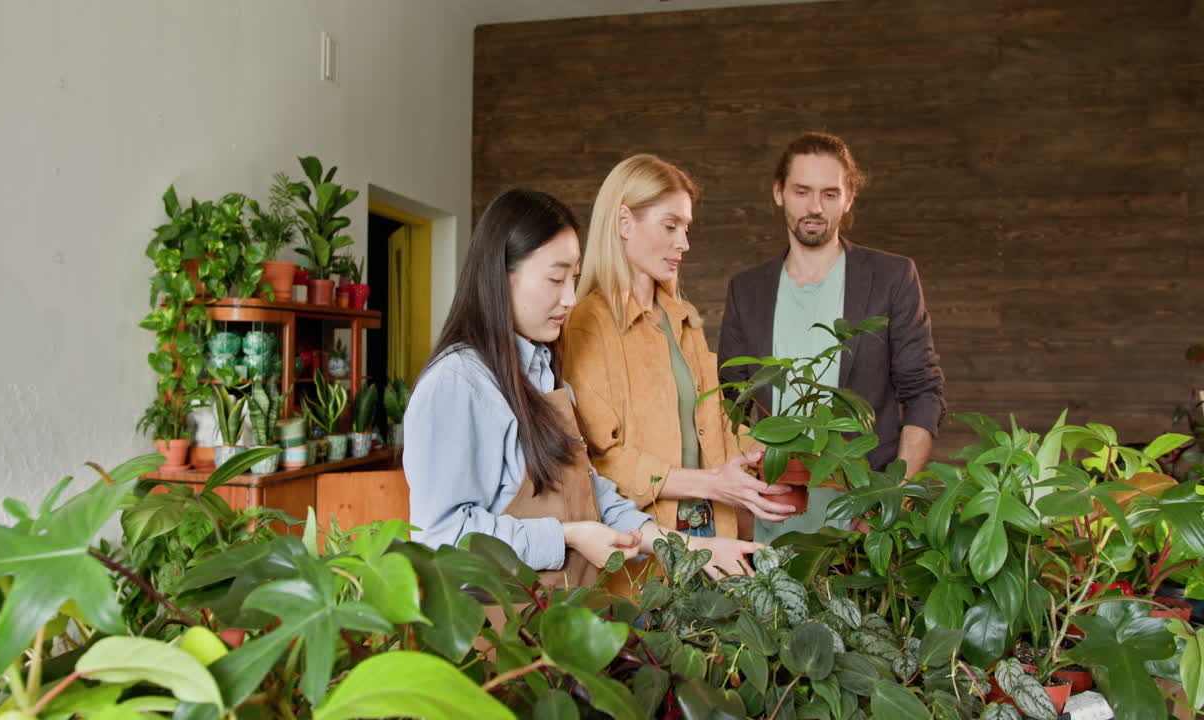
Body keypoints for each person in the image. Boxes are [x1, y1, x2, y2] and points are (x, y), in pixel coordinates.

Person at [405, 187, 763, 586]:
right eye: (556, 279)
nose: (570, 298)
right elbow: (441, 538)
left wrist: (695, 548)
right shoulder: (458, 384)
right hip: (493, 633)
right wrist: (567, 535)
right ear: (499, 275)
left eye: (573, 278)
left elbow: (594, 494)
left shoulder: (544, 372)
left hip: (556, 623)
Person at [561, 155, 797, 571]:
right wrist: (716, 484)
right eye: (670, 226)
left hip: (712, 532)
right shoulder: (586, 325)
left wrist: (780, 455)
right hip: (645, 546)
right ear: (623, 222)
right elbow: (601, 464)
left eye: (686, 228)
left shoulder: (682, 318)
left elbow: (717, 427)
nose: (683, 243)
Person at [718, 131, 945, 542]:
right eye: (802, 191)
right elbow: (726, 405)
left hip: (863, 516)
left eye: (829, 193)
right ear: (778, 193)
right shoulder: (747, 290)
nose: (815, 207)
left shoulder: (891, 278)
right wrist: (741, 506)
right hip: (772, 516)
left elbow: (924, 394)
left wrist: (891, 496)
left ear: (849, 198)